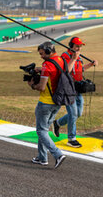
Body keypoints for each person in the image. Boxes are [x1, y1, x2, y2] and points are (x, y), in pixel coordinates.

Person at [53, 37, 98, 148]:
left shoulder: (78, 57)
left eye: (80, 46)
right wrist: (73, 59)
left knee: (78, 114)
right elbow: (66, 71)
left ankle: (57, 123)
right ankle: (71, 138)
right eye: (77, 46)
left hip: (78, 89)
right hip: (68, 89)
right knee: (73, 114)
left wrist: (91, 64)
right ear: (71, 46)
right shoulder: (65, 56)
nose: (79, 48)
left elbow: (80, 69)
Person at [28, 41, 66, 169]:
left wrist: (32, 85)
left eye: (42, 54)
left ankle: (58, 154)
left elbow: (42, 87)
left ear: (49, 52)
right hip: (58, 102)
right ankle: (42, 158)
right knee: (44, 130)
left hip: (45, 103)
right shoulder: (60, 60)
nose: (41, 57)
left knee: (40, 131)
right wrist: (40, 69)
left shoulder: (47, 65)